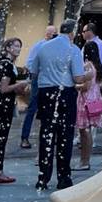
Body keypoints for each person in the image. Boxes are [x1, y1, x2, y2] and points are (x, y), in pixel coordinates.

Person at [32, 19, 87, 191]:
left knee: (46, 134)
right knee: (65, 136)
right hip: (65, 93)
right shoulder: (73, 49)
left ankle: (43, 177)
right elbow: (78, 77)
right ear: (72, 33)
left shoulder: (43, 47)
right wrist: (88, 75)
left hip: (45, 92)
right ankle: (63, 177)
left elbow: (34, 71)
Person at [0, 37, 28, 184]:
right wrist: (20, 84)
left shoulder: (3, 64)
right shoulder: (7, 65)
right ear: (8, 48)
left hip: (1, 104)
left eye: (19, 46)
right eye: (15, 46)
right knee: (1, 138)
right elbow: (4, 89)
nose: (18, 49)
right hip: (4, 105)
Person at [21, 24, 57, 150]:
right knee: (32, 108)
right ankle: (24, 137)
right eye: (50, 33)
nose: (52, 36)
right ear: (46, 34)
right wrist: (33, 78)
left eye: (54, 33)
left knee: (51, 109)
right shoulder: (39, 46)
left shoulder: (56, 47)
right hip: (39, 79)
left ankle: (50, 136)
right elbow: (30, 63)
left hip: (51, 80)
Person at [75, 43, 102, 170]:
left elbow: (85, 86)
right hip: (95, 100)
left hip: (85, 101)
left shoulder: (87, 65)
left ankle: (84, 161)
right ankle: (86, 160)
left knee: (84, 131)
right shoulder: (98, 66)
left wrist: (75, 86)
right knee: (88, 131)